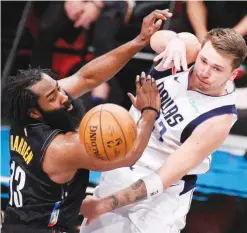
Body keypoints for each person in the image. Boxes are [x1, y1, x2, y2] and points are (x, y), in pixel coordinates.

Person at [1, 9, 172, 233]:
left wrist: (140, 40)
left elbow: (87, 77)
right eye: (53, 97)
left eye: (58, 87)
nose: (64, 97)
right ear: (35, 112)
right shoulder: (62, 148)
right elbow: (129, 155)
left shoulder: (27, 114)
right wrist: (149, 112)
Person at [79, 28, 247, 233]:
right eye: (203, 61)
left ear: (233, 75)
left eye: (217, 69)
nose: (204, 71)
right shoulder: (185, 53)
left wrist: (103, 205)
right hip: (122, 165)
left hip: (159, 200)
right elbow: (156, 39)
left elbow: (164, 177)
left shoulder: (219, 120)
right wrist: (174, 41)